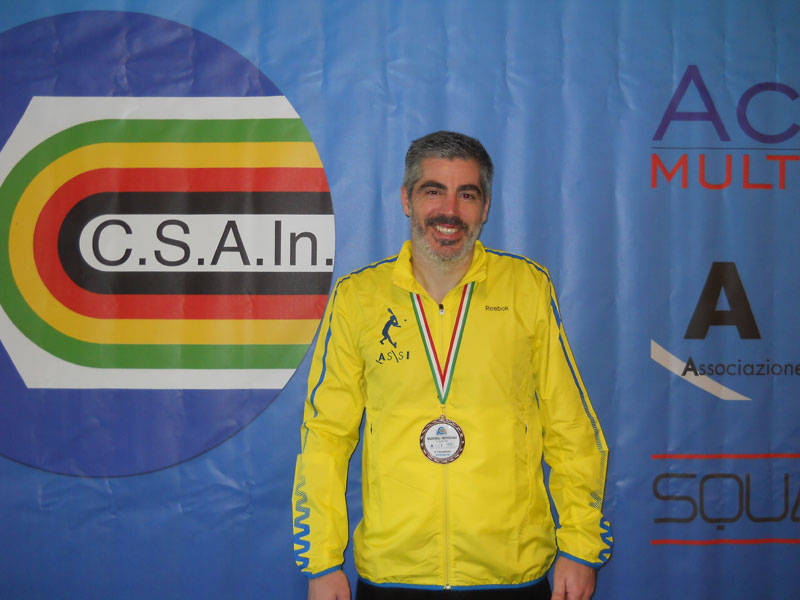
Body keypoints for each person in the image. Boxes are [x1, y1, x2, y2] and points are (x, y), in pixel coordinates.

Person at [293, 131, 612, 600]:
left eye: (467, 194)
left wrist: (581, 548)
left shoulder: (526, 287)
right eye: (433, 191)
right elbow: (325, 437)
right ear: (407, 199)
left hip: (511, 572)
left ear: (485, 208)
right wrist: (321, 562)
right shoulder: (358, 298)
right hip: (394, 573)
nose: (450, 211)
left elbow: (571, 427)